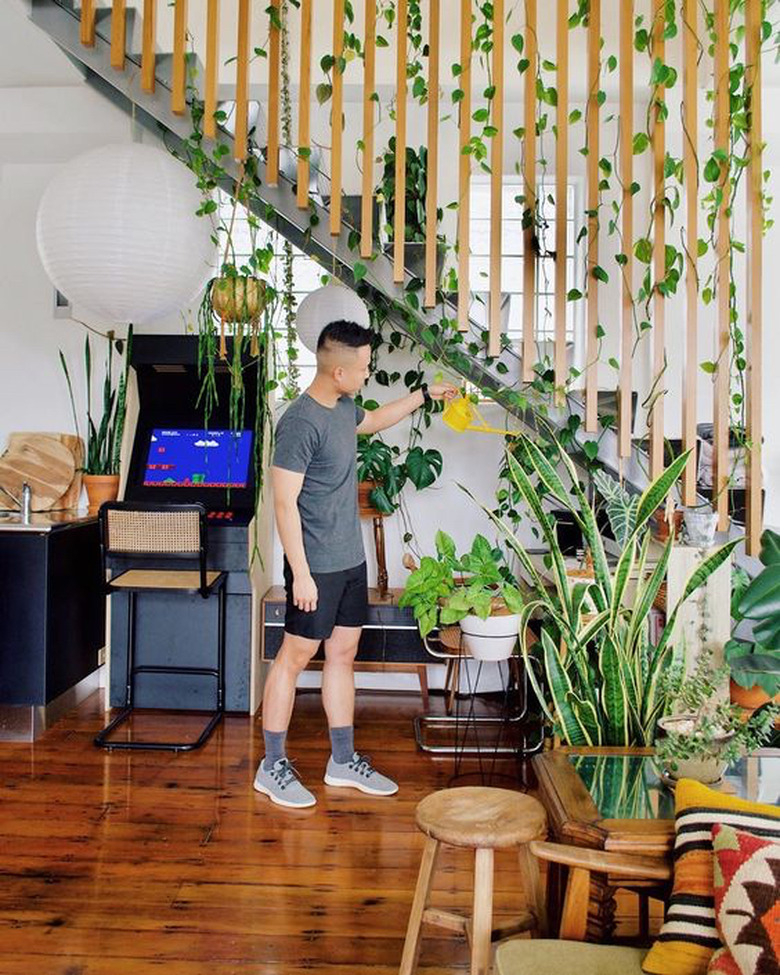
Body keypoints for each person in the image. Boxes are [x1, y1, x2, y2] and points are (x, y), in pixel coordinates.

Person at [253, 318, 458, 808]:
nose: (367, 374)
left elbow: (373, 420)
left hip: (348, 560)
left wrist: (423, 396)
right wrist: (300, 573)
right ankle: (271, 765)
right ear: (338, 372)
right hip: (316, 566)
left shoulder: (344, 408)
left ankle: (342, 761)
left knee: (343, 654)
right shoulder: (300, 422)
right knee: (294, 658)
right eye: (363, 367)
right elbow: (283, 504)